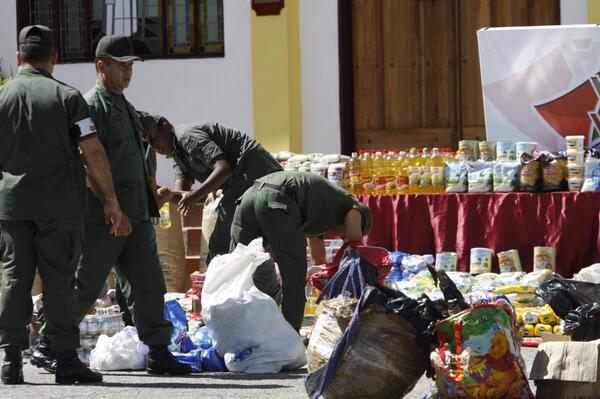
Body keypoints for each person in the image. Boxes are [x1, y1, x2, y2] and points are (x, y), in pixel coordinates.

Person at [31, 35, 191, 376]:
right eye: (122, 66)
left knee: (150, 283)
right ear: (101, 66)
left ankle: (159, 351)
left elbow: (136, 158)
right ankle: (48, 343)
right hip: (105, 215)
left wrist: (151, 194)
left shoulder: (124, 105)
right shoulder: (93, 106)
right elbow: (89, 161)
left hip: (136, 212)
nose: (128, 73)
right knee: (86, 285)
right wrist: (110, 204)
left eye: (131, 67)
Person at [0, 25, 124, 384]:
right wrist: (111, 198)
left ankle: (10, 361)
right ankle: (66, 360)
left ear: (21, 57)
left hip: (12, 207)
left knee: (14, 278)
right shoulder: (69, 98)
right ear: (54, 57)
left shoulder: (3, 100)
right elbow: (93, 153)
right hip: (58, 207)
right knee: (59, 280)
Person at [229, 171, 373, 331]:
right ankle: (290, 338)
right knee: (294, 278)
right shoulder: (353, 209)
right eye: (343, 235)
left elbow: (318, 261)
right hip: (277, 202)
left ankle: (234, 330)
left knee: (237, 268)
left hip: (249, 197)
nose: (341, 237)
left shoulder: (324, 210)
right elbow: (354, 248)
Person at [139, 115, 282, 263]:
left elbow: (223, 169)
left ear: (166, 127)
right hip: (242, 185)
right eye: (150, 145)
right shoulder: (177, 154)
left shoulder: (187, 137)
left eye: (154, 139)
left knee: (221, 245)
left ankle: (220, 282)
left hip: (257, 174)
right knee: (249, 242)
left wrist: (193, 196)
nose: (154, 147)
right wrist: (164, 195)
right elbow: (183, 195)